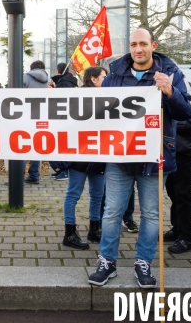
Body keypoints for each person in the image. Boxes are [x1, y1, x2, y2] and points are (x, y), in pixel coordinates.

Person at [88, 27, 191, 289]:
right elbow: (100, 111)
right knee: (111, 212)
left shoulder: (170, 72)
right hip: (120, 155)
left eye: (143, 44)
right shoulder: (115, 74)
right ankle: (107, 262)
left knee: (151, 214)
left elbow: (186, 113)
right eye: (133, 44)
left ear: (153, 45)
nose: (138, 49)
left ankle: (143, 262)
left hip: (154, 156)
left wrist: (170, 92)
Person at [62, 67, 107, 249]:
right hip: (82, 154)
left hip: (94, 153)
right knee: (78, 193)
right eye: (104, 77)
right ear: (94, 79)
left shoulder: (105, 97)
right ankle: (71, 233)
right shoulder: (78, 98)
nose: (107, 80)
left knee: (95, 193)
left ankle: (92, 230)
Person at [164, 80, 191, 254]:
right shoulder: (157, 86)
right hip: (166, 150)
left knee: (183, 193)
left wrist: (166, 123)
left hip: (182, 150)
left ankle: (187, 237)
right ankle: (177, 227)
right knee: (172, 192)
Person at [22, 60, 49, 184]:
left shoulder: (25, 77)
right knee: (36, 145)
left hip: (25, 115)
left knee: (22, 145)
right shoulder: (46, 80)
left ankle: (18, 176)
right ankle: (34, 175)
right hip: (41, 115)